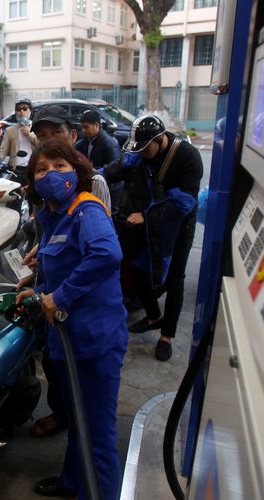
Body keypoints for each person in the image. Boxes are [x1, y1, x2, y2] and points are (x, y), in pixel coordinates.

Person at [16, 139, 126, 500]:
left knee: (97, 437)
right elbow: (63, 263)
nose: (49, 175)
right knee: (79, 422)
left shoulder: (85, 210)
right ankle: (71, 483)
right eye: (40, 170)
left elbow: (106, 255)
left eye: (58, 164)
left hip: (94, 342)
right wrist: (37, 284)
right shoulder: (53, 216)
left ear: (75, 169)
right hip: (66, 340)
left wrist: (59, 296)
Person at [24, 105, 113, 439]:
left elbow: (99, 248)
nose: (47, 142)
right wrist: (37, 277)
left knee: (91, 414)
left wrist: (60, 294)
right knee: (55, 364)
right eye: (41, 136)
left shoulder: (89, 190)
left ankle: (74, 426)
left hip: (82, 311)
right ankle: (64, 417)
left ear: (73, 137)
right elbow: (53, 235)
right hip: (54, 302)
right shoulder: (41, 181)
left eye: (56, 134)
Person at [103, 114, 202, 361]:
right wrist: (88, 174)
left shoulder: (187, 157)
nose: (141, 154)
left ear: (160, 140)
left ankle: (166, 336)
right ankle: (153, 316)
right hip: (147, 224)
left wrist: (146, 216)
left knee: (175, 278)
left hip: (177, 227)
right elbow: (117, 169)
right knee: (137, 269)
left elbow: (185, 202)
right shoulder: (139, 151)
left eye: (146, 150)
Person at [0, 97, 37, 185]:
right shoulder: (10, 130)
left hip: (33, 168)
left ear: (30, 111)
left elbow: (42, 146)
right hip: (16, 170)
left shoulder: (37, 127)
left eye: (25, 109)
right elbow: (3, 151)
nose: (21, 112)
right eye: (18, 109)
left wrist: (29, 134)